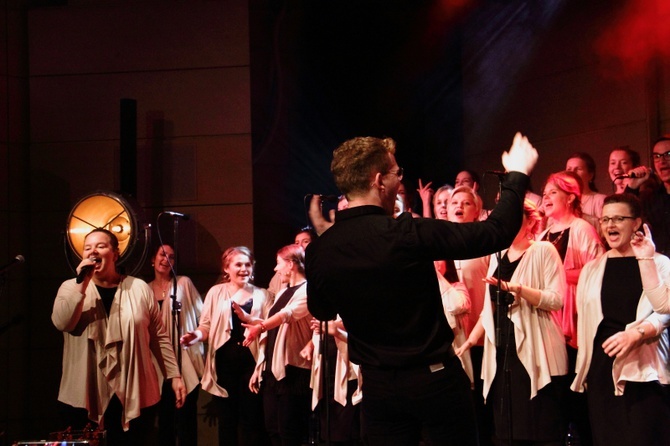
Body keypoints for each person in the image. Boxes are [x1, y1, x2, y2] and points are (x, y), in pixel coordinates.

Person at [305, 132, 538, 445]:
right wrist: (517, 174)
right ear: (378, 180)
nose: (399, 182)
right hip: (435, 382)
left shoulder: (321, 249)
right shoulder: (405, 232)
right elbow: (494, 233)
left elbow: (321, 310)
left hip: (378, 388)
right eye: (396, 173)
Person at [52, 228, 186, 444]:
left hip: (135, 392)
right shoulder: (70, 287)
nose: (93, 251)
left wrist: (174, 375)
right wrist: (81, 284)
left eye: (100, 246)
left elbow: (159, 336)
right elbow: (62, 322)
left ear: (115, 254)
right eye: (87, 248)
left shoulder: (139, 288)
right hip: (86, 395)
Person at [457, 200, 568, 445]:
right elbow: (490, 310)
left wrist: (519, 289)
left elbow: (556, 299)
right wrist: (471, 341)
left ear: (530, 220)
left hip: (536, 347)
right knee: (508, 429)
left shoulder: (543, 250)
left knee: (538, 426)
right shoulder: (498, 257)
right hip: (502, 351)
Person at [571, 193, 670, 445]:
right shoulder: (592, 269)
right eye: (605, 219)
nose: (610, 225)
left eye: (618, 219)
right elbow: (586, 322)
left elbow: (665, 310)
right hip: (602, 370)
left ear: (636, 223)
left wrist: (637, 333)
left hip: (644, 369)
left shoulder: (659, 263)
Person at [539, 170, 604, 445]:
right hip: (548, 321)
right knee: (557, 394)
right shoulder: (541, 234)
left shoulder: (581, 229)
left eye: (553, 192)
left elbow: (598, 271)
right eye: (545, 193)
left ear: (570, 197)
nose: (546, 197)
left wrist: (559, 276)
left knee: (576, 394)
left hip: (574, 322)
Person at [180, 246, 270, 446]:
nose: (244, 269)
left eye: (247, 264)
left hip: (251, 364)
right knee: (227, 421)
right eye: (238, 264)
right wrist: (194, 336)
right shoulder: (216, 292)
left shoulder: (263, 294)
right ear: (227, 268)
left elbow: (268, 328)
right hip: (224, 364)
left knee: (251, 421)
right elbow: (206, 326)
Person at [240, 244, 313, 446]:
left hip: (294, 371)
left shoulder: (308, 290)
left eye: (278, 264)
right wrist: (259, 368)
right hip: (273, 370)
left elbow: (286, 316)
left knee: (290, 432)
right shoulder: (283, 291)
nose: (275, 269)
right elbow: (272, 328)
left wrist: (260, 327)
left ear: (290, 264)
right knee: (273, 429)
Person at [148, 243, 204, 446]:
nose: (166, 259)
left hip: (185, 358)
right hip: (157, 362)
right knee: (165, 421)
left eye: (171, 257)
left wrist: (195, 335)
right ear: (153, 260)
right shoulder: (144, 290)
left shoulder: (183, 283)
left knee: (187, 420)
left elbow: (202, 314)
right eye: (162, 255)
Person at [624, 135, 670, 258]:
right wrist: (633, 187)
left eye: (668, 154)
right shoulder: (651, 199)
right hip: (658, 270)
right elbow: (624, 216)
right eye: (657, 156)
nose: (662, 161)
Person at [566, 152, 607, 232]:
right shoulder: (562, 200)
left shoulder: (600, 200)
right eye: (569, 169)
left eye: (578, 169)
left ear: (590, 175)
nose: (572, 173)